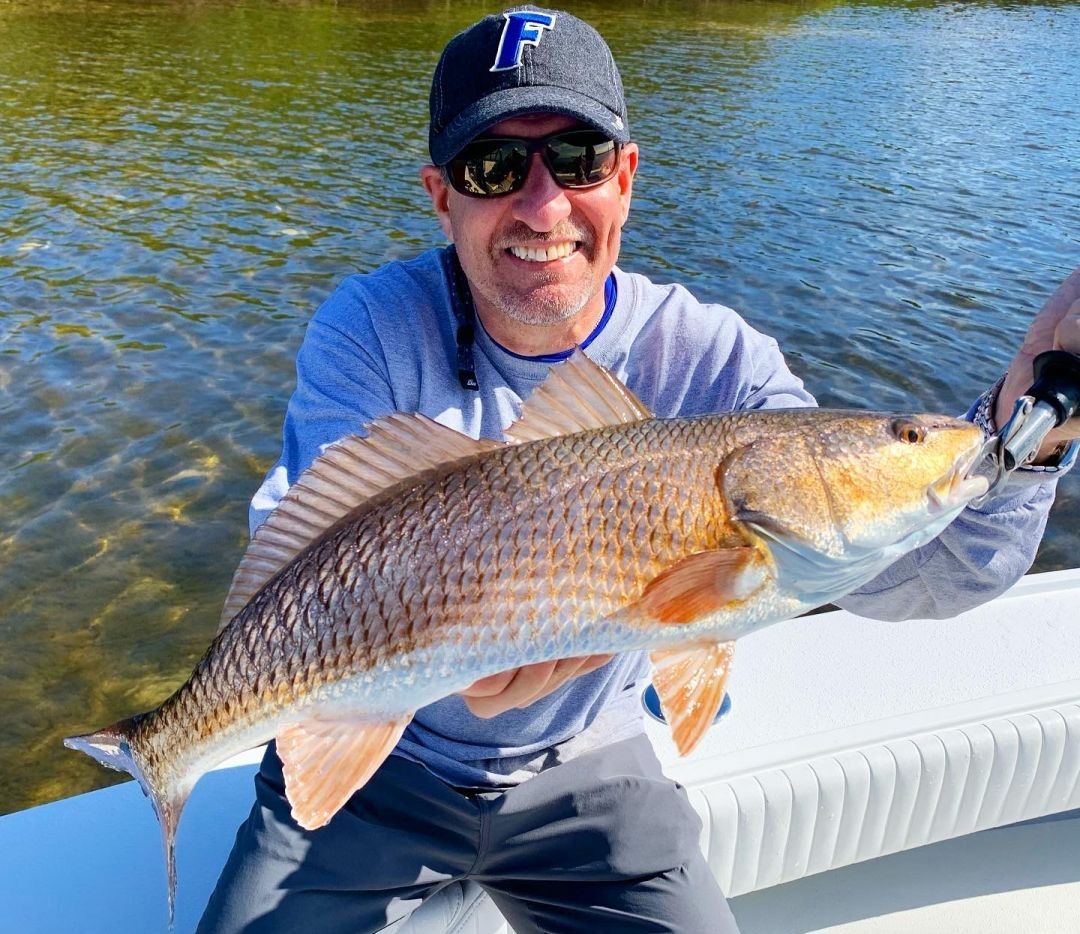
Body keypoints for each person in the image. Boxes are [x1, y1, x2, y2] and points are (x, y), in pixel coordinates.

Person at [199, 8, 1080, 933]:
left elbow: (932, 577)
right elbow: (298, 553)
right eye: (493, 168)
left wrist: (1027, 437)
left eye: (577, 158)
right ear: (440, 195)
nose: (542, 208)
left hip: (584, 763)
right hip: (387, 758)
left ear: (624, 176)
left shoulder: (718, 366)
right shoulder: (369, 329)